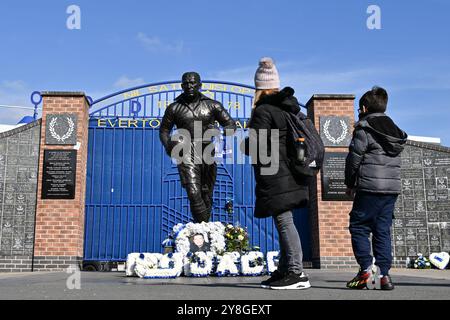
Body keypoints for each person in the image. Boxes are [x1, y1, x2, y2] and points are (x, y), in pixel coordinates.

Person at [243, 57, 311, 290]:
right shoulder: (286, 109)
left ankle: (296, 273)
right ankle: (284, 270)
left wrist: (245, 145)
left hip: (276, 174)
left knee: (284, 221)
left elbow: (260, 145)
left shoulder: (263, 111)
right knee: (284, 220)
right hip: (289, 171)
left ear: (259, 89)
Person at [345, 86, 408, 290]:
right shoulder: (395, 131)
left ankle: (366, 269)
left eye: (358, 108)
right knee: (382, 231)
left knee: (359, 226)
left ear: (364, 107)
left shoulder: (365, 128)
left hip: (369, 187)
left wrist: (350, 183)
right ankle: (384, 276)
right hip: (391, 189)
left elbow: (354, 159)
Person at [159, 72, 236, 223]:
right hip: (186, 150)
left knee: (206, 192)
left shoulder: (213, 105)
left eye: (193, 83)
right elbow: (164, 130)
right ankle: (200, 231)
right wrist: (169, 146)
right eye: (186, 83)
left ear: (200, 85)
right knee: (193, 191)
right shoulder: (174, 108)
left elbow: (230, 124)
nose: (190, 86)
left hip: (208, 150)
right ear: (182, 86)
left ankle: (204, 230)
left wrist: (221, 132)